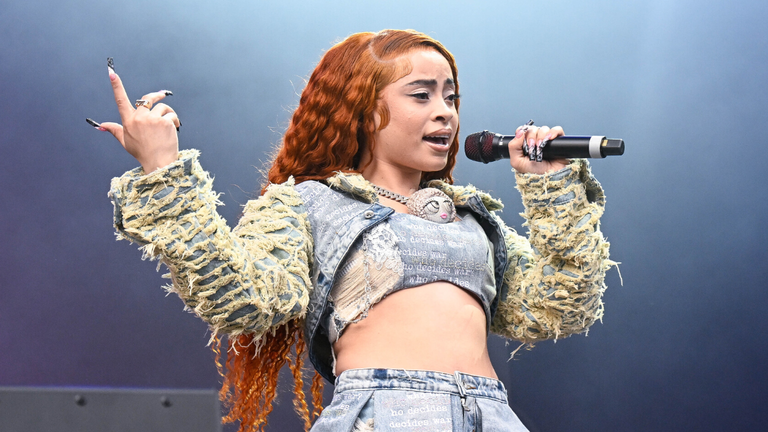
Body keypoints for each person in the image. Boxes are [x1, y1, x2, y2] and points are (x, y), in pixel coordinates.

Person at [93, 29, 613, 432]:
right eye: (421, 95)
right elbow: (240, 297)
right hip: (385, 411)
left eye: (450, 98)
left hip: (491, 415)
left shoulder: (473, 218)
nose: (445, 114)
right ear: (364, 110)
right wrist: (164, 170)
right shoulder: (311, 204)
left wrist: (552, 186)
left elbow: (561, 306)